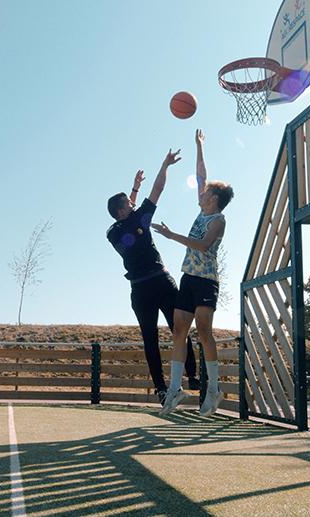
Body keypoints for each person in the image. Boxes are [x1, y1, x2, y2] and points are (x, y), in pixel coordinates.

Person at [106, 150, 200, 404]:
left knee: (169, 332)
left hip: (150, 285)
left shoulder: (119, 227)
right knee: (165, 333)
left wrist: (134, 189)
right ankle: (175, 383)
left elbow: (132, 213)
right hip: (151, 284)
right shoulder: (124, 227)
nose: (132, 203)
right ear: (121, 210)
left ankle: (180, 381)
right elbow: (158, 189)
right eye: (129, 202)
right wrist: (165, 164)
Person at [153, 129, 234, 417]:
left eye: (207, 191)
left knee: (203, 331)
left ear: (214, 198)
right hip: (188, 277)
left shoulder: (218, 220)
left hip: (206, 281)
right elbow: (201, 174)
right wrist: (198, 146)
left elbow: (202, 245)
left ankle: (213, 389)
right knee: (178, 332)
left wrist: (172, 235)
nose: (202, 192)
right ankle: (175, 389)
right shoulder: (203, 209)